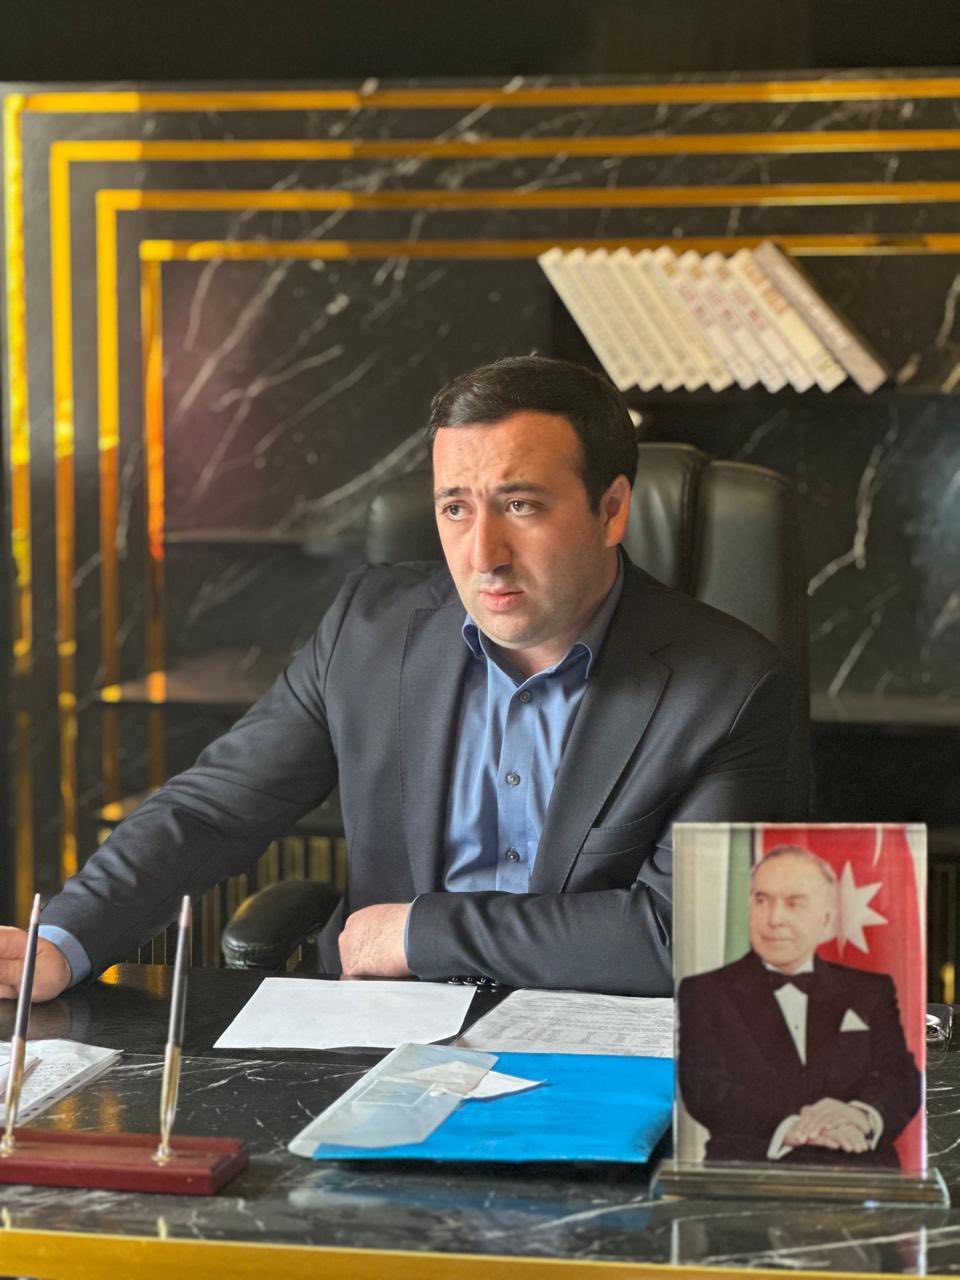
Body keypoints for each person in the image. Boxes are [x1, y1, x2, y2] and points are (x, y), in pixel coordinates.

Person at [1, 356, 806, 1003]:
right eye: (456, 508)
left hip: (592, 1045)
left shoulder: (730, 686)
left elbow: (684, 935)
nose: (483, 555)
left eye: (521, 505)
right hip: (375, 1037)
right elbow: (212, 811)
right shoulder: (370, 629)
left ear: (613, 509)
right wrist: (64, 941)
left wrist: (422, 933)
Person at [677, 846, 921, 1167]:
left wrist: (859, 1115)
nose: (774, 919)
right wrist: (790, 1128)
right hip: (748, 1173)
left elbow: (901, 1077)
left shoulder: (871, 990)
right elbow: (704, 1088)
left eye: (794, 903)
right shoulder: (704, 991)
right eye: (762, 900)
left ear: (826, 919)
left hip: (861, 1170)